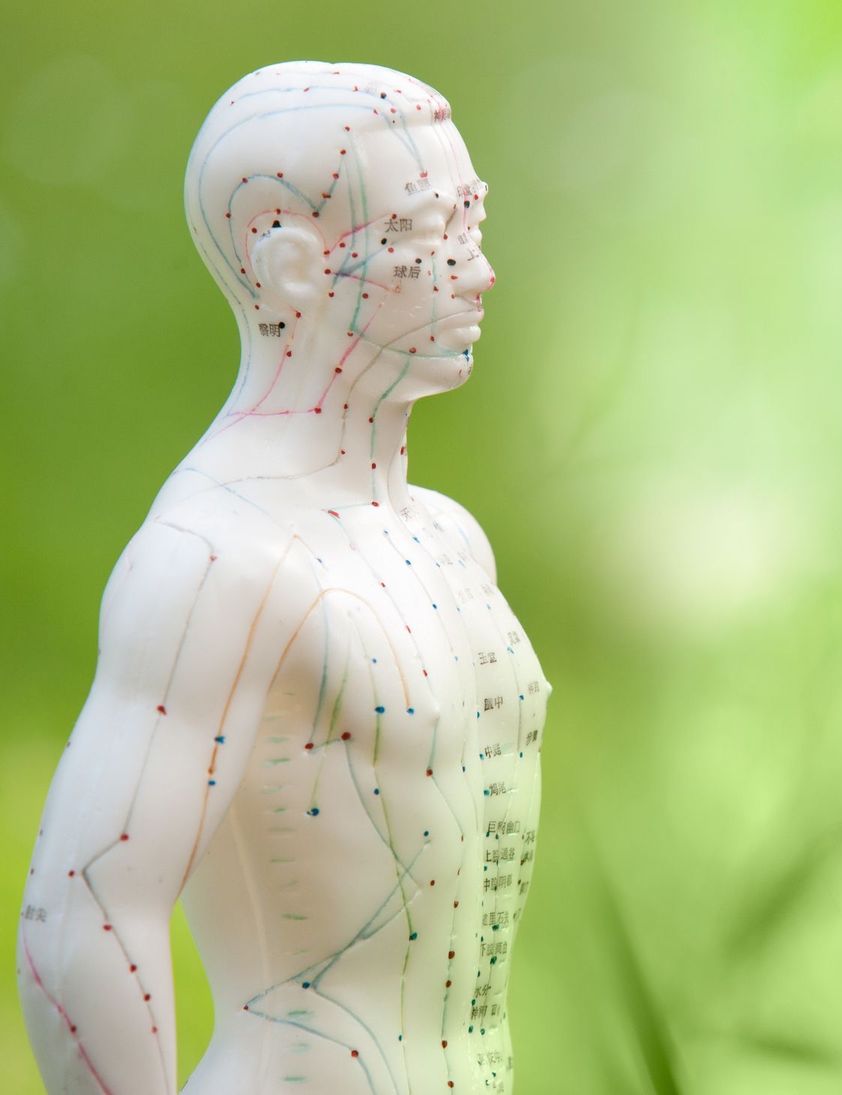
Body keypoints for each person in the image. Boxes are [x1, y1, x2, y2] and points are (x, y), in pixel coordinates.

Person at [17, 61, 550, 1094]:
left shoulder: (447, 539)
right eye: (424, 236)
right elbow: (82, 912)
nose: (476, 273)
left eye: (470, 226)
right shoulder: (217, 559)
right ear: (291, 265)